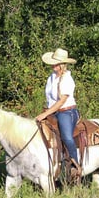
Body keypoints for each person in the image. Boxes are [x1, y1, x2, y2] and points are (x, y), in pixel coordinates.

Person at [35, 48, 81, 181]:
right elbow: (50, 99)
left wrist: (45, 114)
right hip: (52, 111)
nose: (53, 65)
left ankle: (75, 165)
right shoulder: (51, 78)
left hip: (66, 111)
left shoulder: (67, 79)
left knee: (66, 137)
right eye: (53, 63)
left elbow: (61, 101)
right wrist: (46, 112)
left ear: (62, 64)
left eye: (56, 63)